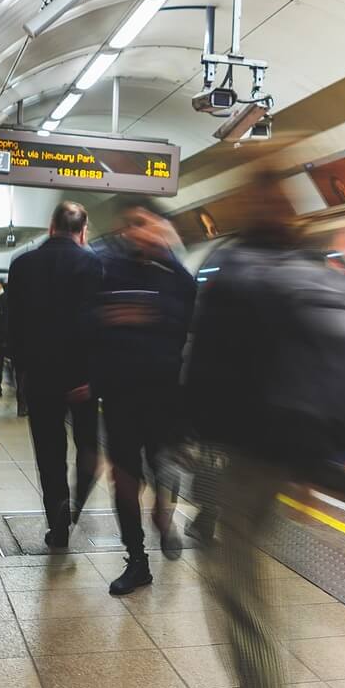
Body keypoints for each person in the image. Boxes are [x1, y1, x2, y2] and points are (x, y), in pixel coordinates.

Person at [187, 171, 345, 688]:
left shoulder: (234, 271)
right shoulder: (321, 267)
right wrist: (315, 466)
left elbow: (203, 377)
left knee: (245, 610)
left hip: (238, 460)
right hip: (293, 460)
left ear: (243, 202)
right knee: (263, 600)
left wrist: (191, 456)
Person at [91, 200, 195, 592]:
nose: (136, 231)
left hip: (164, 395)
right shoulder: (106, 269)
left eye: (145, 223)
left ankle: (164, 512)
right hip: (119, 395)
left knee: (161, 468)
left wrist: (172, 254)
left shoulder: (175, 274)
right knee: (124, 479)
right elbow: (89, 320)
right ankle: (136, 560)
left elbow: (191, 321)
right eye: (130, 224)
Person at [6, 201, 101, 547]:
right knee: (88, 445)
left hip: (40, 376)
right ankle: (77, 502)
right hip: (82, 379)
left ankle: (57, 518)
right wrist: (93, 375)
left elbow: (12, 325)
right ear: (82, 230)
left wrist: (23, 373)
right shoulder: (93, 264)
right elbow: (96, 325)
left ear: (50, 227)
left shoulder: (22, 265)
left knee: (49, 450)